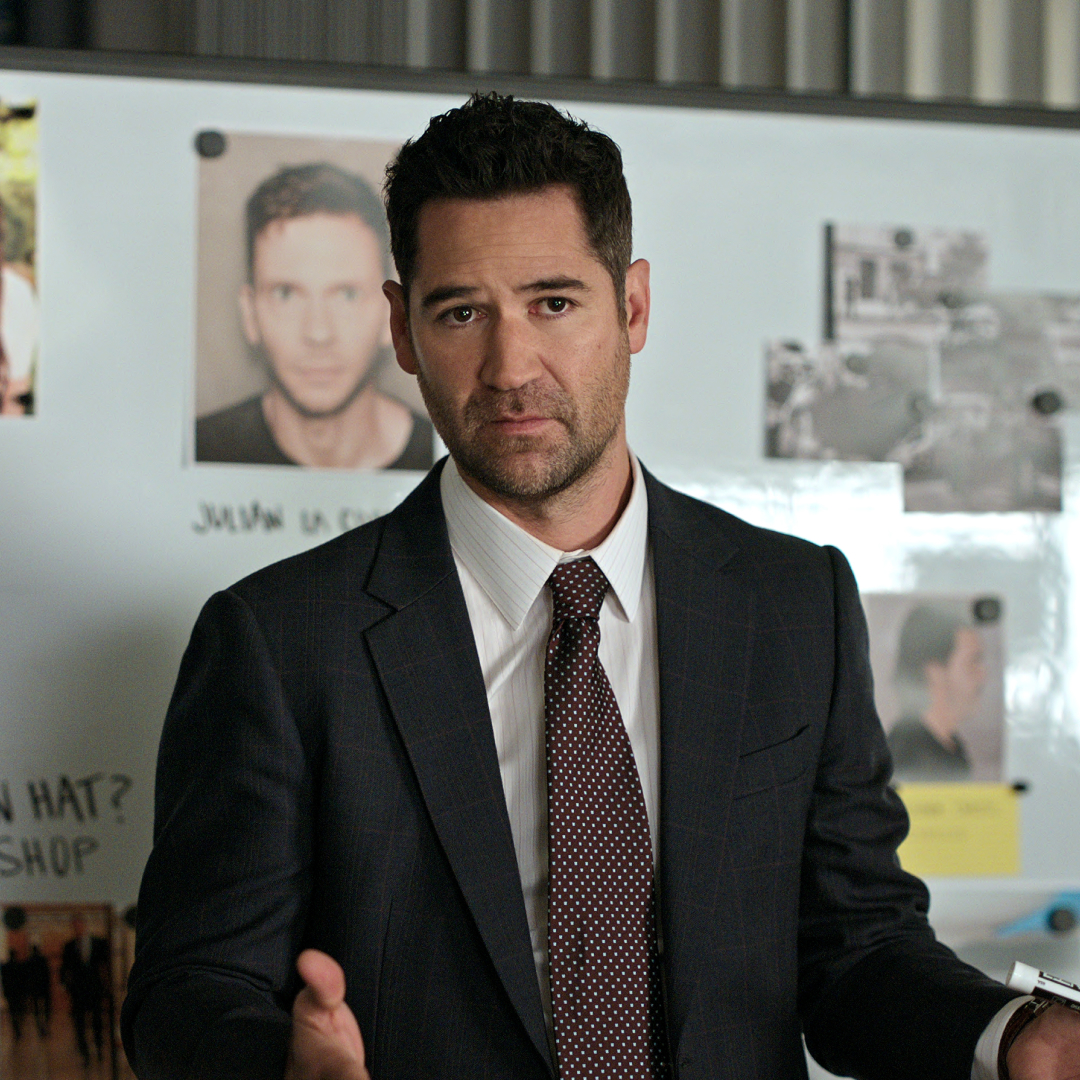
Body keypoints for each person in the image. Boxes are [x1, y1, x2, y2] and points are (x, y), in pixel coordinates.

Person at [123, 94, 1080, 1080]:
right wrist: (275, 1067)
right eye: (461, 313)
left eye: (553, 303)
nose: (510, 368)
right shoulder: (278, 642)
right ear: (402, 332)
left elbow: (859, 951)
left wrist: (1012, 1034)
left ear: (632, 308)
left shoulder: (795, 606)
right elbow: (188, 988)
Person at [195, 163, 433, 470]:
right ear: (250, 314)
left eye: (347, 294)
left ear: (393, 312)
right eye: (286, 294)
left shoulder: (451, 462)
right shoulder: (198, 451)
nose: (318, 332)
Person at [888, 603, 987, 782]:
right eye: (972, 663)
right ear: (935, 673)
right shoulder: (909, 756)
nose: (982, 676)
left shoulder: (951, 746)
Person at [60, 914, 110, 1067]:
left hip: (95, 988)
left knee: (97, 1021)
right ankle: (85, 1053)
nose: (77, 929)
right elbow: (64, 968)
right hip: (77, 990)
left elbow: (105, 965)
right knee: (79, 1023)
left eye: (79, 925)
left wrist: (106, 986)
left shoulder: (98, 943)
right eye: (74, 927)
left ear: (84, 925)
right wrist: (65, 986)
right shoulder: (69, 946)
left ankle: (99, 1048)